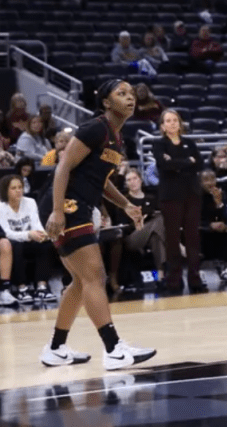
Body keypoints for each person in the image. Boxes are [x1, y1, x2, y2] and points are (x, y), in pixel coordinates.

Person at [38, 79, 156, 369]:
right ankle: (114, 349)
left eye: (131, 94)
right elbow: (63, 166)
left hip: (76, 206)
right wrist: (57, 211)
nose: (130, 98)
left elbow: (101, 181)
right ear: (106, 102)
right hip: (66, 206)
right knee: (95, 276)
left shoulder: (117, 137)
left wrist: (126, 205)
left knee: (80, 282)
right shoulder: (95, 128)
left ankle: (55, 348)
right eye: (121, 94)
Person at [152, 110, 204, 293]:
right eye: (168, 121)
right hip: (171, 196)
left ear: (180, 124)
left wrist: (176, 162)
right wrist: (186, 162)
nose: (173, 124)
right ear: (162, 126)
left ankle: (195, 279)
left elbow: (200, 164)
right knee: (173, 239)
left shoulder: (189, 143)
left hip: (192, 194)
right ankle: (174, 280)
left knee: (192, 238)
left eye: (175, 120)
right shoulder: (159, 144)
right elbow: (164, 165)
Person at [0, 173, 56, 304]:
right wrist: (28, 235)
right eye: (13, 188)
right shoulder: (1, 207)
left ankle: (42, 287)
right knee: (17, 245)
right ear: (5, 190)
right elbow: (6, 233)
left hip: (29, 239)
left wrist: (42, 234)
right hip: (13, 242)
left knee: (46, 244)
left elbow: (37, 224)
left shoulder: (30, 202)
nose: (18, 190)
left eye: (20, 187)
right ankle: (22, 288)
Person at [116, 168, 166, 292]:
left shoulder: (151, 197)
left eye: (135, 178)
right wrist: (139, 222)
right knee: (159, 218)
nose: (132, 182)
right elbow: (122, 225)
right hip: (132, 237)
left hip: (151, 233)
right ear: (126, 183)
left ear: (140, 180)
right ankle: (178, 245)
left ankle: (160, 275)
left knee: (156, 237)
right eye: (129, 180)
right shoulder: (124, 201)